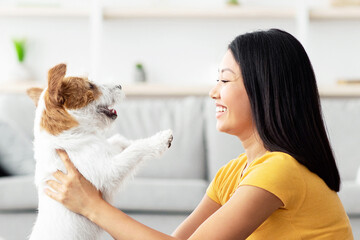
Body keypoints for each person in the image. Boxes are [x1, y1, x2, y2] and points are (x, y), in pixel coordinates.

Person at [45, 29, 354, 239]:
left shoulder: (281, 170)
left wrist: (91, 206)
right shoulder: (233, 174)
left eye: (225, 80)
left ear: (264, 90)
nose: (213, 92)